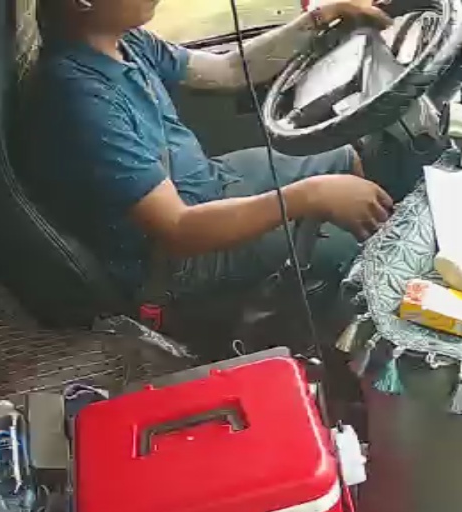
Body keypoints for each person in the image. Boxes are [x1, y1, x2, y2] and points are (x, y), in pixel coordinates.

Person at [24, 0, 395, 308]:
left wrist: (320, 18)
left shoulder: (128, 42)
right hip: (177, 259)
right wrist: (311, 195)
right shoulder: (82, 98)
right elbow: (177, 230)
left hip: (211, 183)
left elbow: (229, 69)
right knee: (353, 250)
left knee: (343, 157)